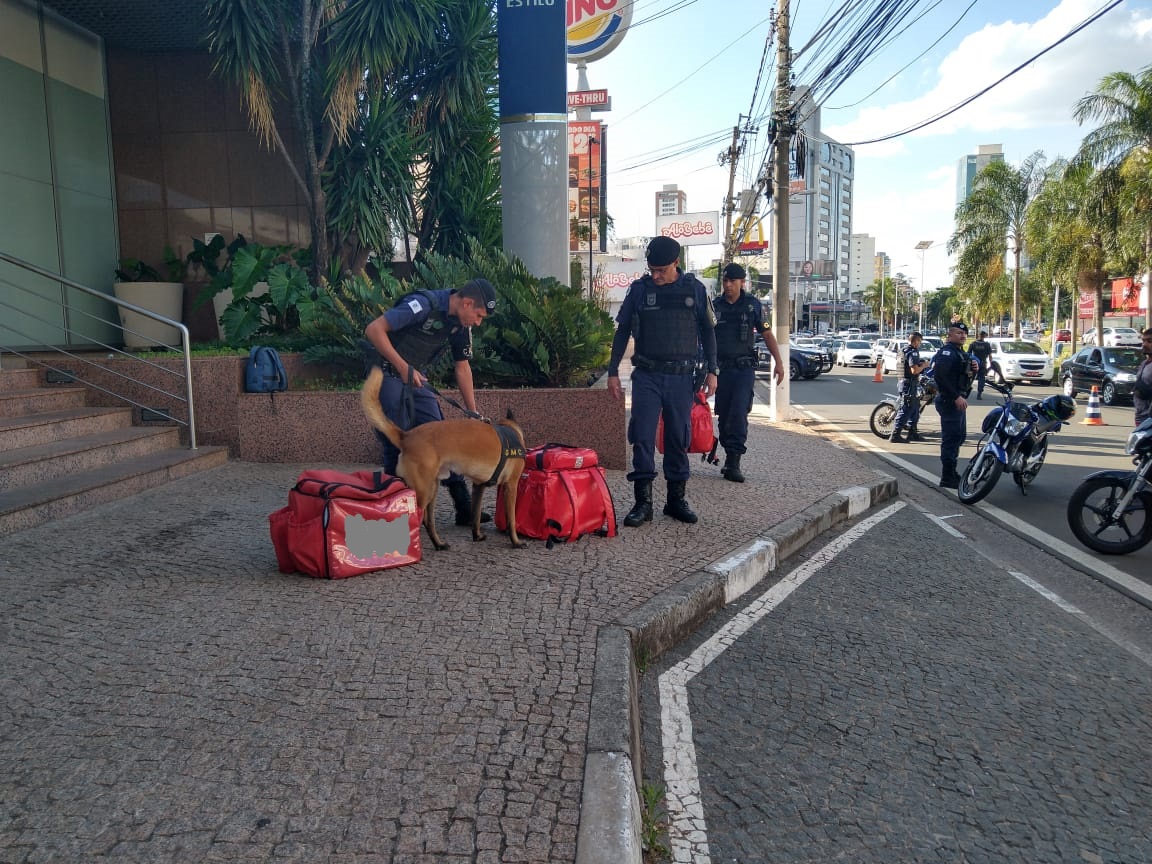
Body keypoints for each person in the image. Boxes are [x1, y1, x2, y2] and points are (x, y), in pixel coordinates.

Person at [363, 278, 497, 525]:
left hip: (415, 377)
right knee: (397, 440)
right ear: (467, 303)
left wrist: (473, 414)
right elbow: (374, 329)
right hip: (387, 372)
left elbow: (462, 367)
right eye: (479, 316)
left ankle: (464, 508)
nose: (478, 322)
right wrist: (402, 367)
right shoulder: (422, 305)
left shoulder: (460, 325)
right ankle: (395, 509)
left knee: (442, 438)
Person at [607, 236, 718, 526]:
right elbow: (622, 331)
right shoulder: (639, 290)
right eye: (652, 270)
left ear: (676, 263)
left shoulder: (695, 289)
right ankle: (643, 503)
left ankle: (675, 501)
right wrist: (613, 371)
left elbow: (708, 331)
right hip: (647, 375)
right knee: (642, 437)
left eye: (661, 270)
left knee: (677, 438)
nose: (655, 276)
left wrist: (713, 370)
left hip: (681, 378)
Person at [712, 262, 784, 482]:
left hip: (743, 370)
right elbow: (704, 335)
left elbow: (767, 334)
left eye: (732, 281)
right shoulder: (716, 306)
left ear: (742, 282)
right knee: (724, 414)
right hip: (721, 369)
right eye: (725, 281)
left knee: (738, 413)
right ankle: (728, 456)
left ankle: (734, 462)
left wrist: (779, 362)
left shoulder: (752, 305)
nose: (728, 285)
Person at [933, 320, 977, 489]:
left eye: (964, 333)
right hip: (949, 401)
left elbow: (964, 377)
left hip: (958, 400)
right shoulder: (947, 353)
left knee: (959, 437)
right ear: (950, 335)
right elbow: (940, 377)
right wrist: (956, 397)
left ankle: (952, 472)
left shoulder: (960, 352)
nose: (963, 335)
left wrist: (974, 369)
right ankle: (947, 476)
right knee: (951, 440)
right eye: (959, 333)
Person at [889, 332, 929, 444]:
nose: (920, 344)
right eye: (920, 341)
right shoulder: (913, 352)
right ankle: (895, 434)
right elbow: (914, 370)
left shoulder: (903, 350)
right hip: (909, 384)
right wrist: (924, 365)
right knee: (906, 408)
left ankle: (912, 432)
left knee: (915, 408)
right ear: (916, 341)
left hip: (904, 382)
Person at [1135, 327, 1152, 426]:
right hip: (1141, 417)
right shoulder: (1144, 363)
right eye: (1143, 341)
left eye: (1149, 341)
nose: (1145, 344)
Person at [968, 330, 993, 399]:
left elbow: (968, 354)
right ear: (984, 336)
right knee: (981, 378)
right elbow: (990, 356)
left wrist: (968, 364)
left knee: (971, 378)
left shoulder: (973, 344)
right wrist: (991, 364)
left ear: (978, 335)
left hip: (974, 363)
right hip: (983, 363)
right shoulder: (987, 344)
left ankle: (965, 390)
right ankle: (979, 393)